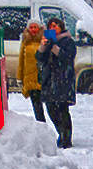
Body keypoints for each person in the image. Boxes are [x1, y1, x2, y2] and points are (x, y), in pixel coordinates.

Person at [36, 18, 77, 147]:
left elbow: (67, 57)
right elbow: (39, 58)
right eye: (50, 26)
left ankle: (66, 138)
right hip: (49, 79)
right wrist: (43, 46)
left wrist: (55, 48)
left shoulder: (68, 41)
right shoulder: (49, 41)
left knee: (62, 109)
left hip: (63, 79)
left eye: (55, 26)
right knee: (51, 108)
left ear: (61, 27)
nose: (53, 28)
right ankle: (61, 133)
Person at [17, 20, 46, 121]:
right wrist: (19, 77)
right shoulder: (25, 41)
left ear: (39, 28)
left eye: (35, 27)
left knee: (52, 108)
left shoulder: (45, 39)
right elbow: (21, 60)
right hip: (30, 80)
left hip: (43, 78)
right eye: (31, 27)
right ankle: (42, 126)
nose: (33, 29)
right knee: (37, 107)